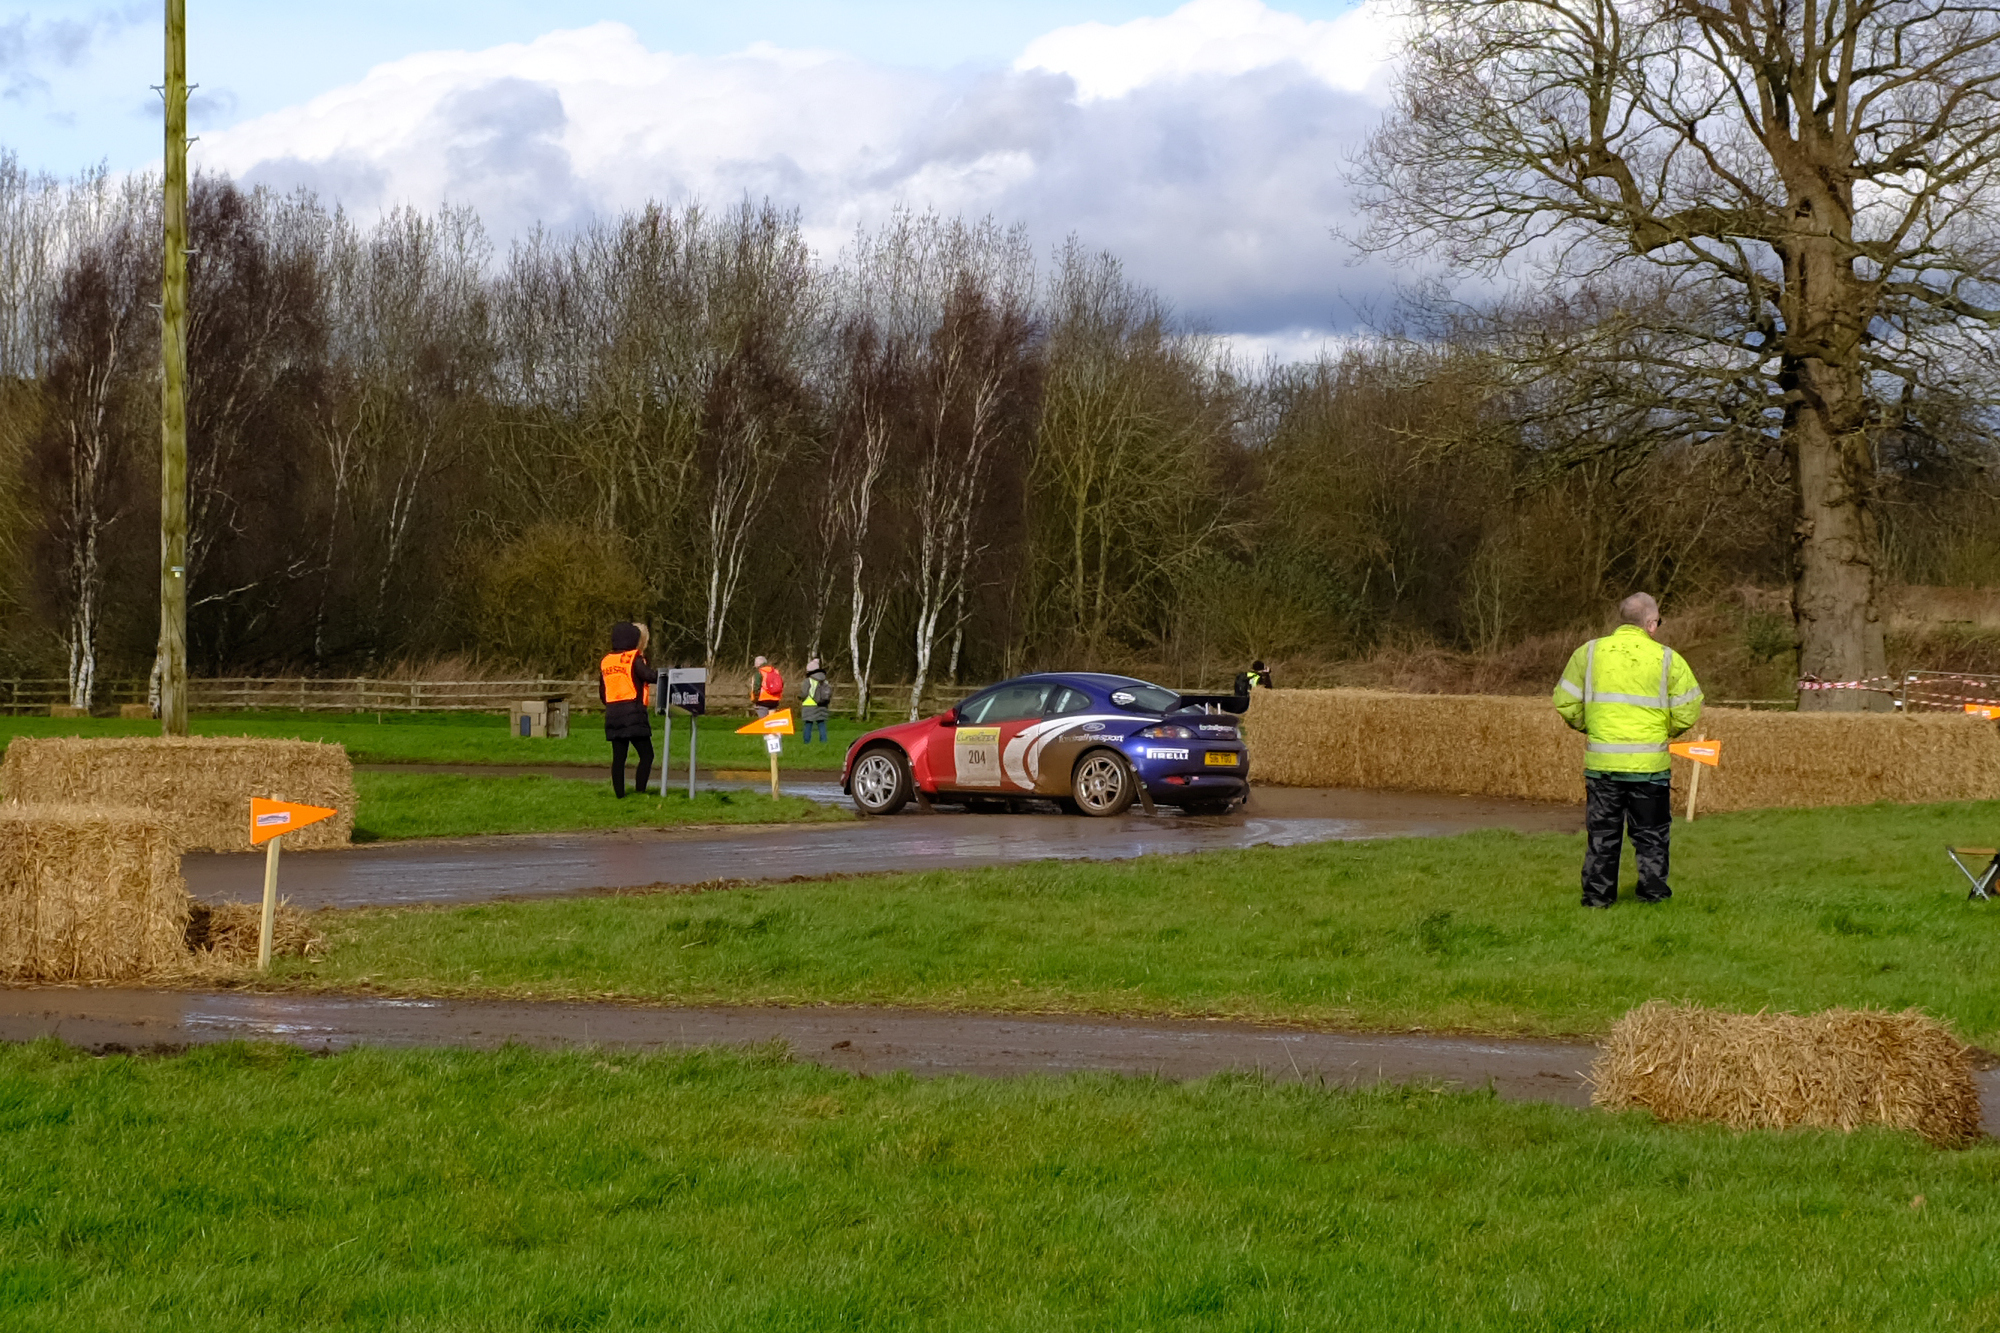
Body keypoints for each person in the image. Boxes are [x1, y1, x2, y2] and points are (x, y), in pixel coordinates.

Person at [1552, 592, 1703, 907]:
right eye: (1657, 622)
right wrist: (1667, 730)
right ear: (1650, 623)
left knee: (1602, 837)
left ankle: (1596, 899)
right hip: (1649, 767)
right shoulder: (1667, 659)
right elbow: (1689, 707)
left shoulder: (1589, 653)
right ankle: (1653, 895)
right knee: (1651, 836)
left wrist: (1589, 726)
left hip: (1603, 764)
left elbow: (1565, 702)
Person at [599, 621, 659, 799]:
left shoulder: (606, 661)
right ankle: (640, 791)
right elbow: (648, 675)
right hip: (633, 714)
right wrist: (667, 675)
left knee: (619, 758)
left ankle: (619, 795)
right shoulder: (633, 658)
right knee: (647, 755)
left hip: (613, 714)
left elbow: (603, 693)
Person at [799, 657, 832, 744]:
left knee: (808, 724)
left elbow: (804, 693)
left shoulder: (808, 680)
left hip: (809, 705)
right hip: (822, 704)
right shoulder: (824, 680)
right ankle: (824, 741)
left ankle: (806, 742)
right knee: (821, 724)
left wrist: (799, 697)